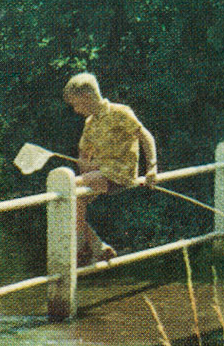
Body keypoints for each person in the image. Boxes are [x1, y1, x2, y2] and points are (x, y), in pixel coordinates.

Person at [63, 72, 158, 267]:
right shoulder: (90, 123)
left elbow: (146, 137)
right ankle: (96, 246)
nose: (75, 109)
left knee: (69, 189)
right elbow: (83, 152)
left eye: (76, 104)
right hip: (101, 175)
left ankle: (87, 247)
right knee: (67, 200)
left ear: (86, 97)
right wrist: (85, 167)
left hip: (120, 174)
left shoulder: (119, 112)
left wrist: (152, 168)